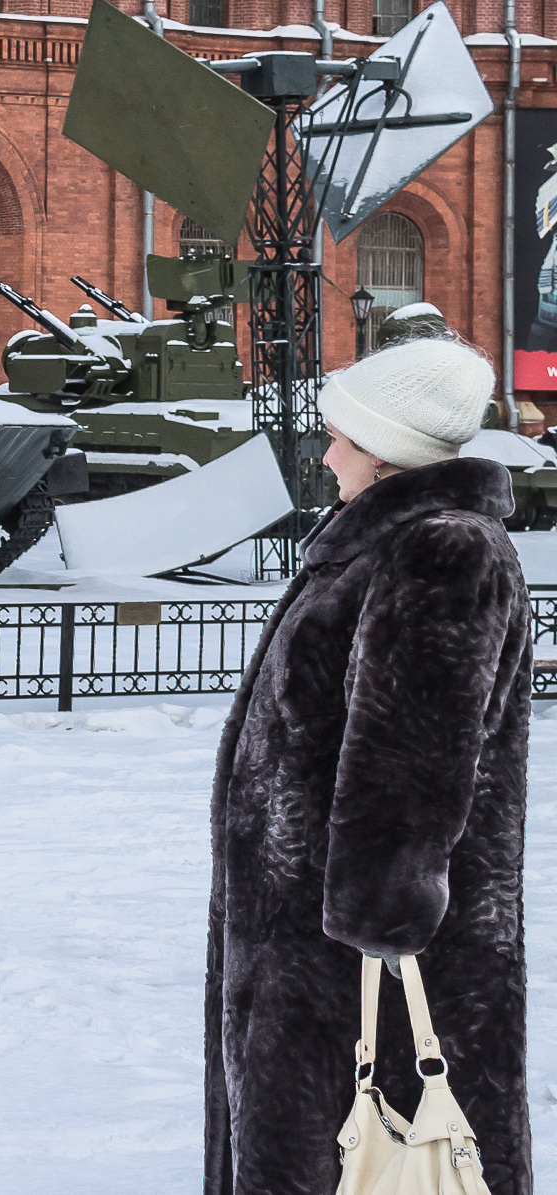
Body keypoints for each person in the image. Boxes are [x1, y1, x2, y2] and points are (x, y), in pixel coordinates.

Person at [205, 335, 532, 1195]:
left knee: (362, 1152)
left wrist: (379, 934)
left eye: (341, 436)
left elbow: (412, 766)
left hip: (365, 957)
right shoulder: (386, 542)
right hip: (313, 940)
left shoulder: (439, 551)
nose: (326, 452)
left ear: (386, 450)